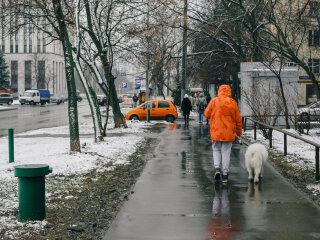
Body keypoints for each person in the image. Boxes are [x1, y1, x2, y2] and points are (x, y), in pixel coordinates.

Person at [204, 85, 242, 183]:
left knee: (216, 150)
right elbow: (238, 119)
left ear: (219, 91)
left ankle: (217, 169)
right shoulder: (233, 103)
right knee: (226, 152)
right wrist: (239, 132)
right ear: (229, 92)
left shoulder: (214, 101)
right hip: (228, 133)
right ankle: (225, 175)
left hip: (216, 131)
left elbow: (206, 114)